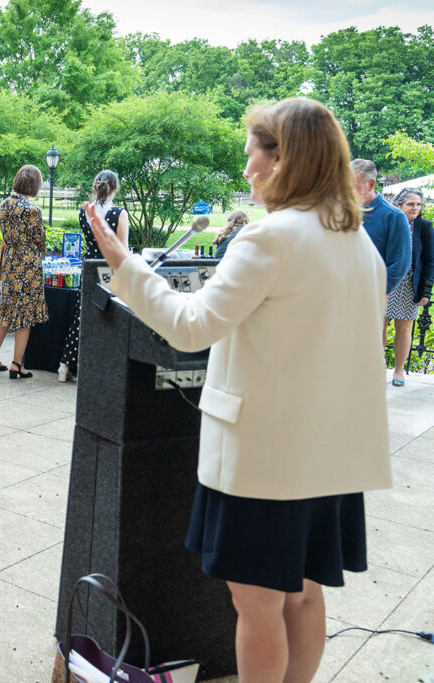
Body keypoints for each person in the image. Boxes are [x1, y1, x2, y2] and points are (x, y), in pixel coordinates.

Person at [89, 97, 390, 683]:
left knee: (256, 605)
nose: (247, 169)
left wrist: (126, 265)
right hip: (326, 456)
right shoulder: (359, 244)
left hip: (264, 459)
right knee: (303, 595)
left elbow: (191, 325)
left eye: (253, 155)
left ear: (284, 160)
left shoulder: (269, 239)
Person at [58, 170, 130, 381]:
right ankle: (97, 366)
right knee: (107, 317)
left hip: (89, 264)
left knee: (82, 316)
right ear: (115, 189)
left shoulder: (85, 211)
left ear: (95, 187)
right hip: (109, 267)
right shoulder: (119, 213)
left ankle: (65, 364)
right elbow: (122, 247)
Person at [0, 165, 48, 379]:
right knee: (25, 315)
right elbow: (41, 241)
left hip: (10, 261)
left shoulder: (4, 205)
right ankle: (17, 363)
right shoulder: (32, 210)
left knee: (7, 310)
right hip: (28, 264)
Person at [385, 187, 434, 387]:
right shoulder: (390, 222)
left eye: (418, 204)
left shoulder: (424, 227)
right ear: (399, 205)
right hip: (387, 281)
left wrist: (426, 291)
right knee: (379, 324)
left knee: (404, 328)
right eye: (410, 204)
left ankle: (399, 371)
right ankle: (376, 367)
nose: (415, 208)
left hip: (409, 284)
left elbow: (431, 261)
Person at [352, 158, 410, 294]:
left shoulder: (394, 217)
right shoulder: (340, 211)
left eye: (354, 186)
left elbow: (400, 264)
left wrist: (374, 291)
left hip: (369, 296)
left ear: (371, 184)